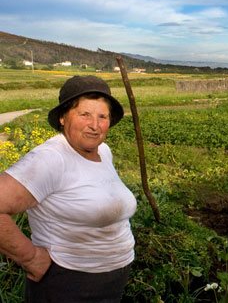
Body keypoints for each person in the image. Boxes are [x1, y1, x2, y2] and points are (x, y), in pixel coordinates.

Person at [0, 75, 137, 302]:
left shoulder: (104, 151)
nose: (95, 125)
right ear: (63, 117)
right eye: (84, 114)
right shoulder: (50, 159)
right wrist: (31, 258)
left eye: (102, 116)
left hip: (111, 280)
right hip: (67, 284)